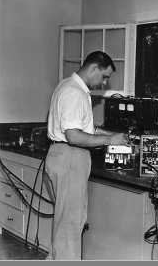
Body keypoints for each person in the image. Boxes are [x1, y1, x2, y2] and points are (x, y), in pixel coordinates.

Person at [44, 51, 127, 260]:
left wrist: (113, 135)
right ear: (93, 68)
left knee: (65, 225)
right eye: (104, 76)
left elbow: (83, 128)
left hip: (61, 156)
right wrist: (110, 141)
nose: (104, 83)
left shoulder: (67, 86)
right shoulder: (75, 93)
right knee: (70, 227)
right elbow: (73, 136)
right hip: (70, 157)